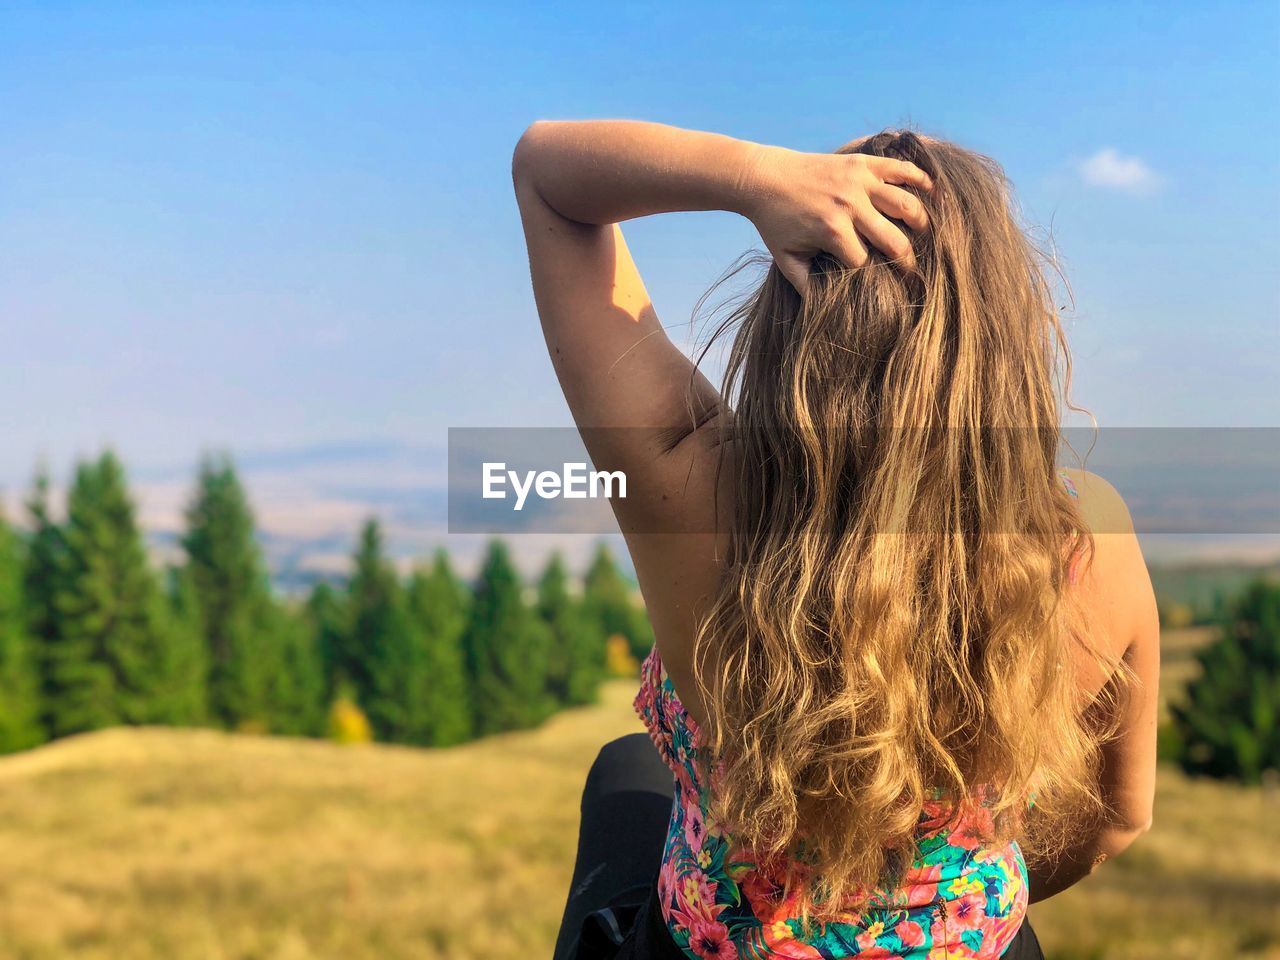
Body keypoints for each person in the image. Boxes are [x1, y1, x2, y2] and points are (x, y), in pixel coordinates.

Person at [513, 121, 1160, 960]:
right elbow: (1119, 817)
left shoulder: (694, 492)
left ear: (790, 316)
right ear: (1001, 333)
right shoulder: (1087, 544)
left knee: (622, 770)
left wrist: (759, 177)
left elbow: (548, 177)